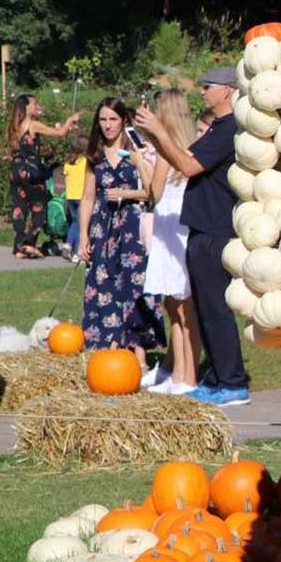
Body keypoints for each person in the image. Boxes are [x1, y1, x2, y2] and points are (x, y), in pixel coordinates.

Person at [135, 67, 247, 407]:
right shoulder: (217, 128)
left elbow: (188, 166)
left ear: (227, 91)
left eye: (208, 87)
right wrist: (155, 136)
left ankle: (233, 382)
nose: (202, 92)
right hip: (200, 227)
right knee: (205, 308)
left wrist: (159, 130)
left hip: (216, 229)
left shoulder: (230, 130)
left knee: (215, 309)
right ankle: (216, 377)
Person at [75, 98, 162, 369]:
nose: (108, 125)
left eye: (113, 119)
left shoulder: (137, 147)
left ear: (123, 120)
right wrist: (83, 235)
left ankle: (137, 351)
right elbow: (87, 198)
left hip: (131, 226)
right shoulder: (95, 153)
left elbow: (152, 190)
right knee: (103, 284)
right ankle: (106, 347)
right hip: (103, 226)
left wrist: (127, 192)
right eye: (103, 120)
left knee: (133, 285)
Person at [141, 90, 201, 395]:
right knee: (178, 306)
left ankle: (186, 376)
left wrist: (141, 159)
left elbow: (154, 190)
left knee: (180, 308)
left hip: (169, 223)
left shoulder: (167, 148)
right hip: (181, 222)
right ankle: (179, 374)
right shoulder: (194, 143)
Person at [6, 94, 78, 259]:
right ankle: (28, 244)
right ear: (26, 107)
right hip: (31, 172)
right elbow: (59, 133)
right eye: (34, 104)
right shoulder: (33, 125)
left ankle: (19, 245)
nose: (36, 106)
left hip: (16, 170)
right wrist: (70, 121)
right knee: (39, 208)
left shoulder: (14, 126)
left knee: (19, 207)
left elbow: (22, 148)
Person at [61, 131, 89, 250]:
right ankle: (77, 250)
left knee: (74, 221)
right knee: (81, 224)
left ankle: (69, 243)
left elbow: (66, 180)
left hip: (70, 196)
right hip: (82, 196)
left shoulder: (68, 163)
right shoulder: (86, 162)